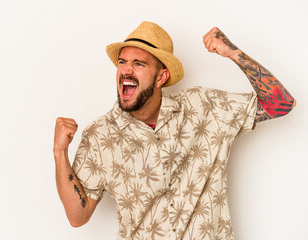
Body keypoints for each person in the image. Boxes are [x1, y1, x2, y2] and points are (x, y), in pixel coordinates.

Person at [53, 21, 296, 240]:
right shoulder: (100, 135)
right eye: (123, 62)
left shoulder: (204, 107)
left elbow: (281, 103)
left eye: (139, 64)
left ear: (161, 77)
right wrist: (60, 153)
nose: (127, 70)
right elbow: (78, 216)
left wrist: (234, 54)